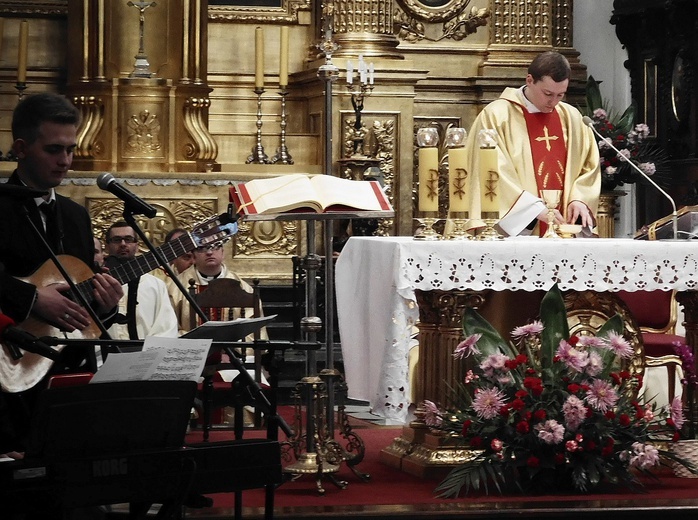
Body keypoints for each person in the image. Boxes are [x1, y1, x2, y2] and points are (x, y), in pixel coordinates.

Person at [0, 92, 123, 454]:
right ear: (21, 148)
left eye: (70, 149)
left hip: (64, 369)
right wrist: (32, 298)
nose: (65, 160)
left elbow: (80, 301)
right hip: (9, 366)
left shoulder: (75, 215)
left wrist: (105, 304)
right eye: (54, 149)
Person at [464, 51, 601, 236]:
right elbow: (491, 170)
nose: (553, 102)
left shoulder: (572, 118)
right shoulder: (497, 116)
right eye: (548, 93)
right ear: (530, 80)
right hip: (518, 233)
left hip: (564, 232)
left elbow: (588, 166)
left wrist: (579, 199)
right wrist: (533, 210)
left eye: (560, 95)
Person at [169, 242, 266, 338]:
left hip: (233, 352)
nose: (210, 252)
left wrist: (232, 350)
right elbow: (169, 328)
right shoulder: (176, 288)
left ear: (223, 253)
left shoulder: (243, 288)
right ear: (193, 257)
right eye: (202, 248)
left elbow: (253, 330)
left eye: (215, 246)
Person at [103, 221, 179, 341]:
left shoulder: (156, 285)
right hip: (103, 357)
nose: (123, 244)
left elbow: (166, 328)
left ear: (137, 245)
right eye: (117, 240)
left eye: (128, 239)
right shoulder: (98, 284)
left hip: (145, 356)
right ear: (107, 246)